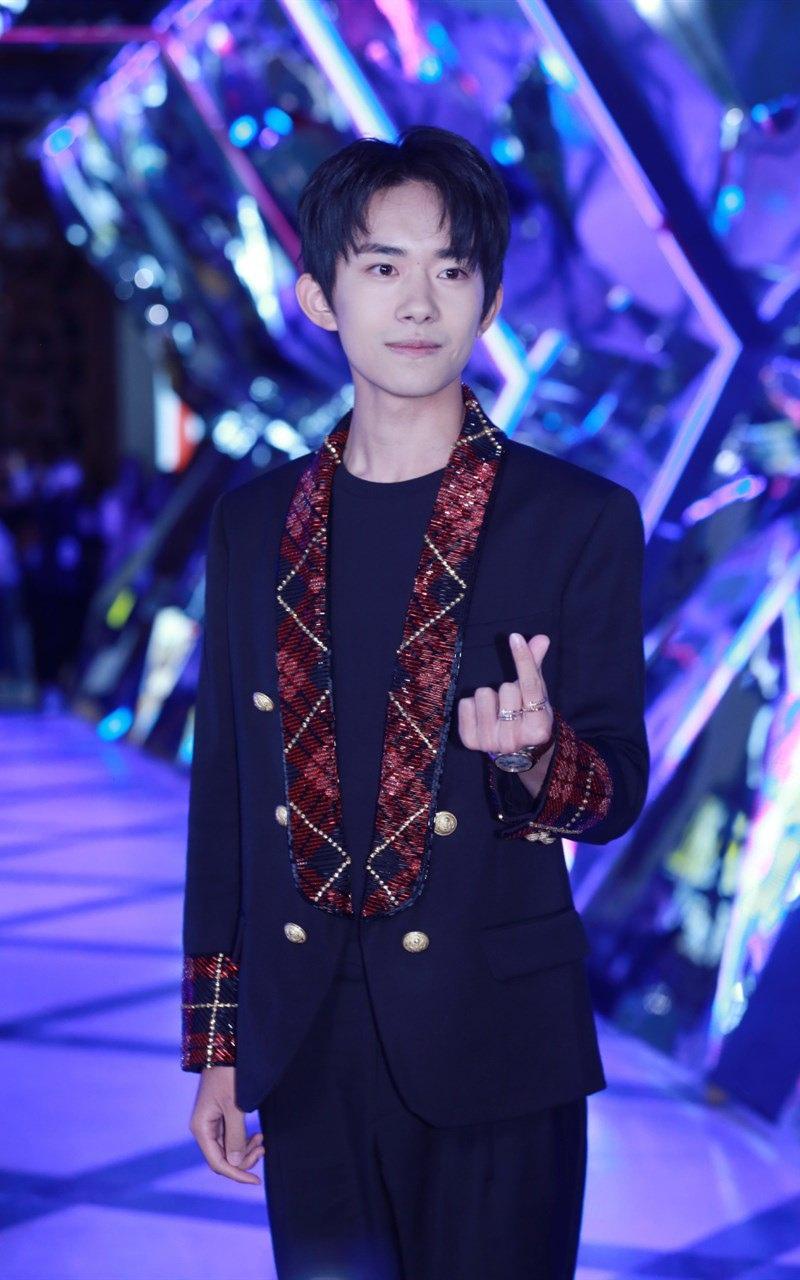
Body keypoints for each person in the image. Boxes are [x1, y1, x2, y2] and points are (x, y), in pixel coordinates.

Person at [180, 125, 649, 1279]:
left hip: (496, 1035)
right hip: (307, 1034)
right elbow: (227, 798)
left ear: (488, 300)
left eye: (451, 267)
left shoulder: (575, 517)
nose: (418, 300)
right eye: (382, 264)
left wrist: (536, 759)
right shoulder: (253, 523)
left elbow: (614, 790)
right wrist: (220, 1044)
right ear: (319, 295)